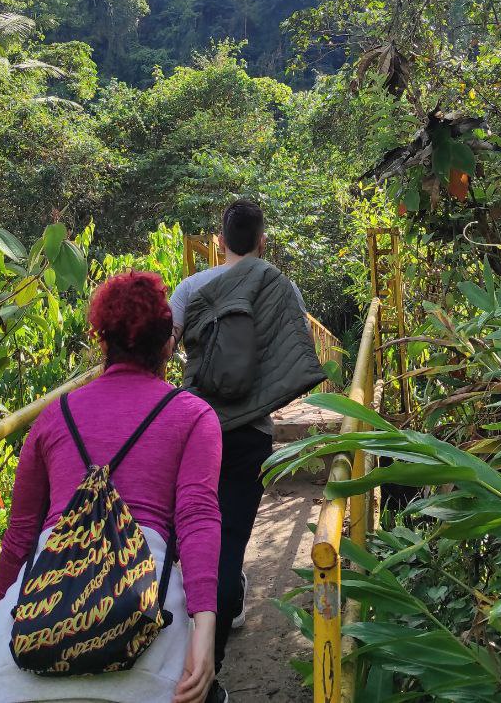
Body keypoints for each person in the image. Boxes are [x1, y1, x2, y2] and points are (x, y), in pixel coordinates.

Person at [0, 272, 222, 703]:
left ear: (101, 342)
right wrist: (205, 631)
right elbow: (198, 519)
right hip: (145, 637)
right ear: (169, 344)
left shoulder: (53, 417)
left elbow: (19, 537)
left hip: (22, 657)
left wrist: (3, 622)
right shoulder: (193, 416)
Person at [170, 200, 326, 703]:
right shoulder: (279, 284)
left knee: (189, 538)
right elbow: (295, 345)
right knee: (231, 536)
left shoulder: (192, 288)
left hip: (195, 432)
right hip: (252, 433)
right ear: (262, 240)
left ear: (219, 240)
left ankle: (177, 660)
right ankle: (209, 673)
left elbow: (164, 345)